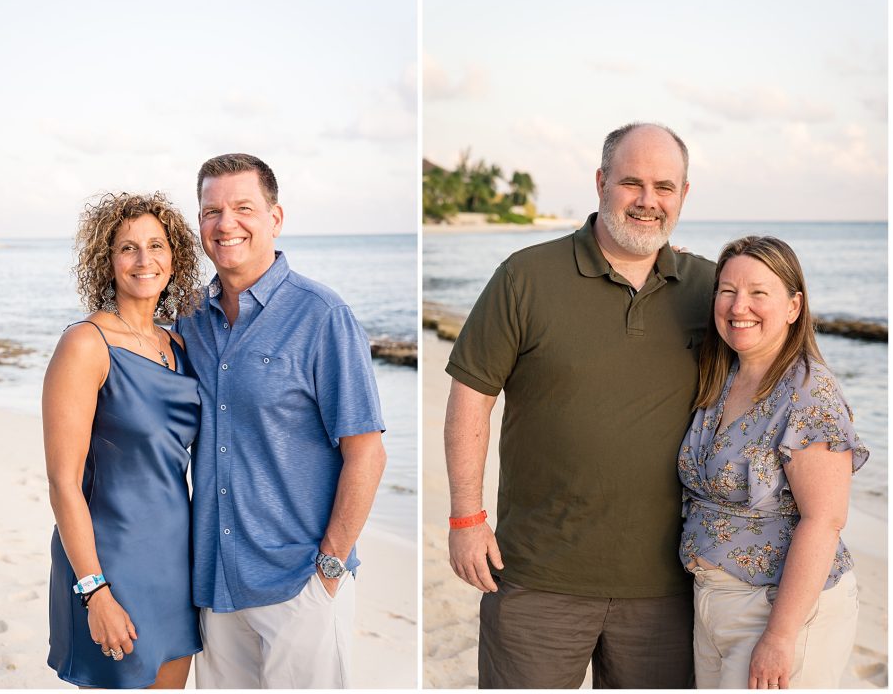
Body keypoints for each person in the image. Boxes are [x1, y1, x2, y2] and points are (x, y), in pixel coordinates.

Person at [444, 123, 715, 688]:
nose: (648, 201)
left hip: (669, 587)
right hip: (536, 578)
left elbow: (775, 376)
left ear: (684, 195)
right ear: (600, 182)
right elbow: (472, 394)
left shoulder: (710, 289)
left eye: (665, 187)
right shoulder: (525, 275)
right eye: (631, 183)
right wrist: (466, 518)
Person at [177, 153, 387, 688]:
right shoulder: (189, 323)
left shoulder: (321, 315)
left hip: (300, 586)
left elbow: (366, 451)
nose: (226, 224)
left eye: (243, 207)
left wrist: (329, 571)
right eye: (211, 211)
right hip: (217, 584)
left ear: (275, 218)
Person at [679, 235, 868, 688]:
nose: (739, 305)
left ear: (793, 305)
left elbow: (824, 520)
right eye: (727, 290)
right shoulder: (723, 374)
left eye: (759, 292)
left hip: (779, 612)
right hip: (712, 604)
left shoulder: (809, 394)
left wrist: (780, 636)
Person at [43, 192, 204, 688]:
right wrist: (95, 591)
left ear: (174, 257)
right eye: (127, 248)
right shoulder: (85, 344)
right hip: (109, 561)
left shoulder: (178, 343)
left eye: (156, 245)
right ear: (107, 261)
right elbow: (62, 483)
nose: (143, 259)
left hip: (178, 561)